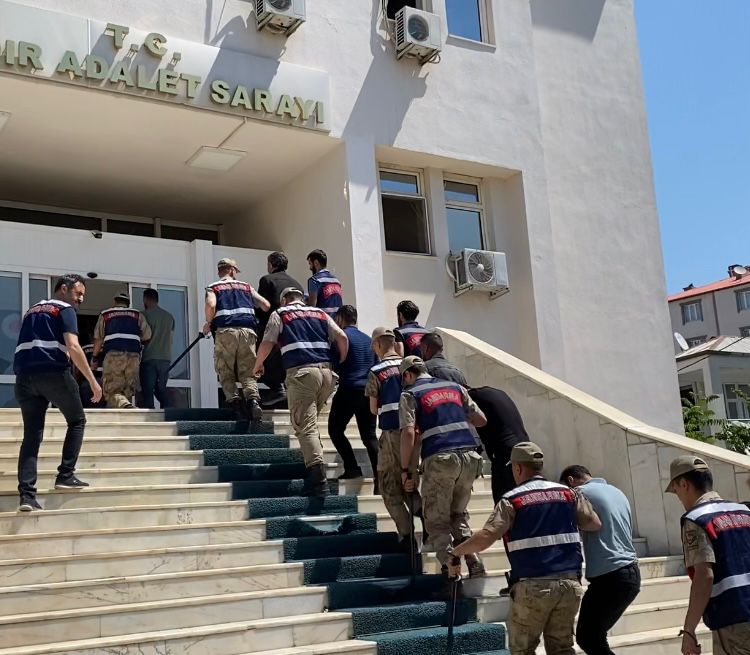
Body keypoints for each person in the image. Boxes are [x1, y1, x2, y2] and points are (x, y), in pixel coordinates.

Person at [451, 442, 601, 655]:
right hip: (569, 585)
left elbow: (486, 537)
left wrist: (456, 552)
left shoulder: (513, 500)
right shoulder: (569, 494)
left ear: (518, 468)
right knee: (562, 649)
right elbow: (593, 523)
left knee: (523, 650)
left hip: (533, 587)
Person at [13, 274, 103, 511]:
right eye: (78, 293)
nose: (80, 299)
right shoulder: (64, 309)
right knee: (77, 421)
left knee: (31, 436)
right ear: (63, 289)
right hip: (53, 373)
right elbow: (73, 346)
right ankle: (65, 475)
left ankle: (27, 496)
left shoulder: (32, 310)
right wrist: (93, 381)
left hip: (24, 377)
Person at [254, 287, 348, 497]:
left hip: (302, 374)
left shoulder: (281, 313)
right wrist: (340, 361)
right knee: (311, 424)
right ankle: (316, 468)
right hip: (327, 375)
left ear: (285, 300)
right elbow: (342, 337)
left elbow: (268, 341)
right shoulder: (320, 313)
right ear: (302, 299)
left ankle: (318, 481)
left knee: (305, 427)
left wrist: (258, 364)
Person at [399, 356, 488, 577]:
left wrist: (405, 469)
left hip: (440, 459)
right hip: (470, 457)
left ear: (408, 374)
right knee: (458, 513)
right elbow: (481, 419)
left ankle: (451, 569)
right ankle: (473, 558)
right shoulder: (455, 387)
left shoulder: (410, 394)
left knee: (437, 521)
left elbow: (408, 433)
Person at [666, 455, 750, 655]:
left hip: (734, 619)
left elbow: (704, 576)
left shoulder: (696, 519)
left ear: (684, 484)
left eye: (676, 491)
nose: (679, 497)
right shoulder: (744, 511)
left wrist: (689, 630)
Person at [560, 465, 640, 655]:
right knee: (594, 636)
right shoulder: (617, 492)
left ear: (571, 481)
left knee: (588, 637)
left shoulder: (579, 492)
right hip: (630, 573)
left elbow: (591, 522)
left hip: (610, 576)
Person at [366, 328, 421, 547]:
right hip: (414, 433)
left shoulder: (376, 371)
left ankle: (407, 535)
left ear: (378, 344)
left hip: (391, 435)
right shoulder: (410, 367)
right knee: (409, 481)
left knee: (389, 486)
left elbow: (373, 409)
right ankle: (425, 517)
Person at [203, 258, 270, 421]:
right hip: (248, 332)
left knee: (225, 369)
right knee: (248, 370)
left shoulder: (213, 287)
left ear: (220, 271)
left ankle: (235, 405)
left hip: (226, 332)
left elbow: (211, 304)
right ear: (232, 270)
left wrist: (208, 323)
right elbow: (265, 305)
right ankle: (253, 402)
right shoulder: (246, 287)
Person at [328, 306, 379, 481]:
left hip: (348, 389)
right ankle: (380, 479)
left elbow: (334, 364)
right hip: (368, 392)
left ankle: (352, 467)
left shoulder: (341, 338)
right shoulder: (369, 340)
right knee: (369, 437)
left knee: (335, 430)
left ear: (340, 318)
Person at [257, 251, 303, 407]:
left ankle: (277, 389)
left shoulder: (267, 280)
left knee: (257, 359)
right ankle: (286, 390)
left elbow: (263, 309)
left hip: (275, 329)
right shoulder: (297, 284)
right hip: (296, 332)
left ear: (271, 265)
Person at [467, 386, 529, 503]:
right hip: (525, 448)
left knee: (503, 501)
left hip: (506, 454)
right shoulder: (493, 393)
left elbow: (471, 431)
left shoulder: (471, 398)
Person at [92, 292, 151, 409]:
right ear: (128, 303)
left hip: (114, 356)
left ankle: (123, 406)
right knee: (128, 389)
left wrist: (94, 358)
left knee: (112, 390)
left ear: (115, 301)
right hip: (133, 357)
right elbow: (147, 335)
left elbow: (98, 338)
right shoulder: (137, 315)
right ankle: (125, 408)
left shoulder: (106, 315)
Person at [140, 289, 175, 409]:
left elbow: (142, 336)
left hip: (149, 358)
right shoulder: (169, 317)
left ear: (145, 299)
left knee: (148, 392)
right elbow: (171, 339)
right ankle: (170, 412)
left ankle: (149, 417)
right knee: (161, 389)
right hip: (165, 359)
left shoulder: (143, 315)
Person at [306, 249, 343, 317]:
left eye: (310, 264)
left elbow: (312, 307)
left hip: (322, 320)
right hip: (337, 320)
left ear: (316, 263)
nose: (310, 268)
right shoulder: (336, 281)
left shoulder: (314, 280)